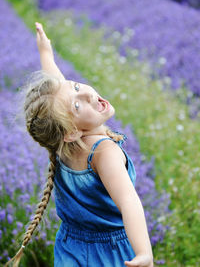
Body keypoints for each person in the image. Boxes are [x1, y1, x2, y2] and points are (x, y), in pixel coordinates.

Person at [6, 22, 153, 267]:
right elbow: (129, 201)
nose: (86, 94)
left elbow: (58, 92)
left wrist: (46, 53)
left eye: (76, 86)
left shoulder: (61, 139)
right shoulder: (104, 153)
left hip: (70, 248)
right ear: (71, 132)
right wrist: (144, 253)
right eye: (77, 105)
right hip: (110, 253)